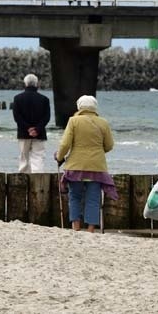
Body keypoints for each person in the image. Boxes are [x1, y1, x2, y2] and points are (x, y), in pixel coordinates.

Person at [55, 95, 117, 233]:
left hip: (76, 166)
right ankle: (90, 229)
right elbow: (109, 145)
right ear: (95, 107)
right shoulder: (103, 123)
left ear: (79, 106)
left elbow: (65, 144)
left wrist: (59, 156)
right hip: (97, 167)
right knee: (93, 199)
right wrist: (98, 152)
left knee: (75, 197)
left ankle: (76, 227)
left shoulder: (73, 121)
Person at [12, 74, 51, 173]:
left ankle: (24, 182)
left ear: (25, 84)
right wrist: (37, 129)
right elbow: (46, 118)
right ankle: (38, 182)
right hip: (40, 133)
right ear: (37, 84)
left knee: (24, 158)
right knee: (38, 158)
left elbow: (17, 117)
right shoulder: (44, 99)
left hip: (24, 133)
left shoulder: (17, 98)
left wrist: (28, 128)